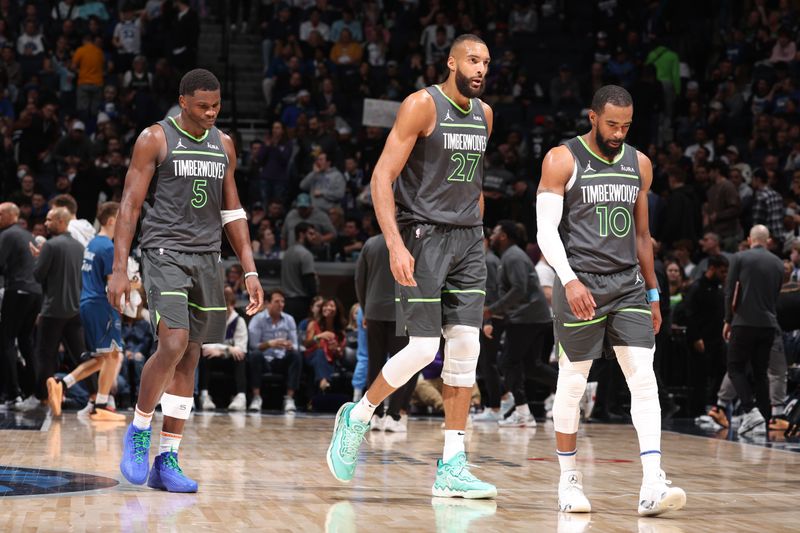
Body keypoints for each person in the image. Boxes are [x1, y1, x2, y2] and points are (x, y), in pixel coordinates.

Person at [326, 34, 497, 498]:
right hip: (423, 235)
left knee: (465, 351)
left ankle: (452, 465)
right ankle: (357, 416)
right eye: (472, 60)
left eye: (486, 62)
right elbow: (382, 177)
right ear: (451, 62)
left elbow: (474, 182)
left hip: (468, 239)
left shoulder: (485, 115)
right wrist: (396, 244)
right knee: (423, 349)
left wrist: (477, 226)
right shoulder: (421, 105)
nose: (480, 69)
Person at [108, 69, 263, 493]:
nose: (211, 113)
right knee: (173, 342)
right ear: (182, 102)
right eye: (202, 106)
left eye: (216, 106)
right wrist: (120, 267)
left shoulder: (225, 145)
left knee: (191, 356)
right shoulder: (154, 138)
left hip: (207, 258)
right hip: (163, 253)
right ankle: (139, 430)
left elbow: (233, 212)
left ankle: (167, 459)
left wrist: (249, 269)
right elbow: (129, 205)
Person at [536, 85, 685, 516]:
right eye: (612, 124)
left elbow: (642, 236)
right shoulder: (561, 159)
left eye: (626, 126)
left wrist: (654, 291)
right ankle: (568, 481)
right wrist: (568, 281)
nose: (619, 133)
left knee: (643, 378)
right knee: (573, 382)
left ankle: (652, 482)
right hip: (579, 283)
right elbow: (546, 232)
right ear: (593, 117)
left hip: (627, 286)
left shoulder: (640, 164)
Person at [46, 202, 126, 421]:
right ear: (111, 221)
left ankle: (63, 385)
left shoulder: (93, 244)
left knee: (102, 358)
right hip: (101, 305)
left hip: (88, 303)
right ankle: (100, 406)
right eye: (122, 218)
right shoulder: (108, 248)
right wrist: (134, 285)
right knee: (113, 354)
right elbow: (113, 285)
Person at [486, 220, 556, 427]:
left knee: (507, 362)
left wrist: (493, 309)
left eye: (495, 231)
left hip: (527, 318)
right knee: (532, 366)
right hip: (533, 317)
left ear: (504, 236)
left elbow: (518, 289)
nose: (491, 236)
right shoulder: (511, 255)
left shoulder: (513, 256)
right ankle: (574, 389)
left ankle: (523, 412)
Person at [722, 224, 784, 435]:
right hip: (768, 324)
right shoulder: (778, 263)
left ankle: (750, 410)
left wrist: (728, 319)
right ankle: (764, 418)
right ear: (767, 241)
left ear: (750, 239)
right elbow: (776, 295)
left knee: (735, 367)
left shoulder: (739, 258)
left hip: (743, 322)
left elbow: (730, 290)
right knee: (760, 372)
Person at [354, 232, 415, 433]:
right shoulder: (409, 242)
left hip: (373, 311)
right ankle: (393, 415)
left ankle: (376, 415)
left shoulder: (370, 243)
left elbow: (359, 280)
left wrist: (365, 307)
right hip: (401, 312)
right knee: (401, 366)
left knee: (375, 364)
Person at [29, 207, 86, 411]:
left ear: (62, 222)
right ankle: (97, 396)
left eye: (50, 220)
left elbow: (38, 276)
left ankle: (45, 397)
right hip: (75, 309)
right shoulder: (80, 247)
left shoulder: (51, 246)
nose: (46, 223)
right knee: (82, 355)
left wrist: (38, 258)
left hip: (52, 311)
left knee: (45, 355)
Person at [0, 202, 42, 407]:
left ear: (11, 215)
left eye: (0, 214)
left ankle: (12, 393)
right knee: (25, 340)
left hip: (17, 289)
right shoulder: (28, 235)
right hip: (35, 293)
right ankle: (33, 391)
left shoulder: (7, 234)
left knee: (6, 339)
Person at [246, 289, 301, 413]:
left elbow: (295, 345)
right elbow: (253, 345)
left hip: (281, 360)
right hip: (264, 360)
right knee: (255, 355)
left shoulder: (289, 319)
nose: (281, 304)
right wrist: (270, 344)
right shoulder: (258, 319)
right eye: (277, 301)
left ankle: (289, 398)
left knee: (296, 355)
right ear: (267, 303)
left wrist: (289, 345)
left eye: (283, 301)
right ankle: (256, 397)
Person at [198, 287, 248, 412]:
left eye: (227, 306)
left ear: (233, 305)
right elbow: (204, 345)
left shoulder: (239, 321)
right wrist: (228, 349)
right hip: (213, 358)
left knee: (240, 358)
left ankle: (241, 397)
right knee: (205, 356)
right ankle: (204, 396)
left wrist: (221, 351)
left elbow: (241, 348)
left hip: (229, 360)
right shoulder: (211, 319)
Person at [304, 297, 347, 393]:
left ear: (337, 310)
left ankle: (323, 384)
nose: (328, 308)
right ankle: (324, 381)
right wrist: (319, 336)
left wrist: (336, 349)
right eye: (325, 306)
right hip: (312, 356)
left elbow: (340, 354)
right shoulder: (313, 324)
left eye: (331, 306)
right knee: (320, 353)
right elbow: (306, 344)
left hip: (331, 359)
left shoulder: (340, 330)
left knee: (326, 360)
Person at [281, 222, 318, 322]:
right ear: (301, 234)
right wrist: (315, 298)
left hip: (287, 302)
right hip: (301, 303)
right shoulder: (305, 254)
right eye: (311, 234)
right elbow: (309, 279)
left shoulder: (288, 252)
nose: (314, 237)